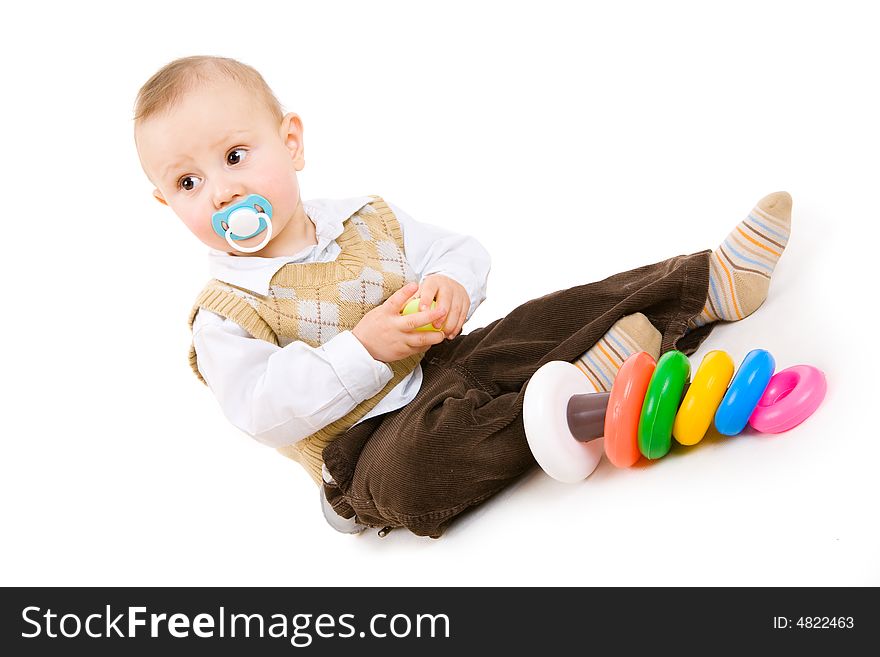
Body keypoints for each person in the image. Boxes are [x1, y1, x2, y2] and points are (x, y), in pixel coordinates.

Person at [134, 56, 792, 538]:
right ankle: (571, 401)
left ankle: (708, 282)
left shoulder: (368, 218)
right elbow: (261, 408)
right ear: (167, 202)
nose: (220, 192)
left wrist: (451, 286)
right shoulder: (225, 316)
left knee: (539, 319)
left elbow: (460, 252)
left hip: (448, 366)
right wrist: (364, 347)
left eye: (236, 155)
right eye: (188, 182)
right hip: (368, 447)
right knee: (415, 474)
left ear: (292, 141)